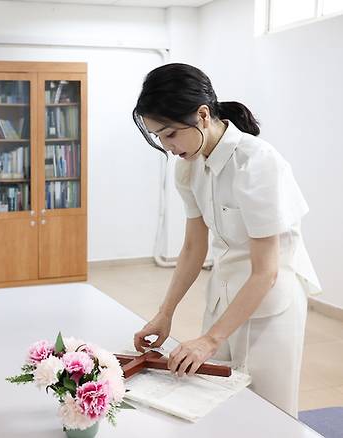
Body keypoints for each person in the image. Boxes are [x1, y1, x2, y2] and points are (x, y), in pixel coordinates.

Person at [131, 63, 321, 417]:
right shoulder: (188, 167)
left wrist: (209, 339)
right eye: (158, 137)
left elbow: (266, 272)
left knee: (270, 414)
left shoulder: (258, 163)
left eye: (170, 134)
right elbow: (192, 248)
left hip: (270, 303)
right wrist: (165, 313)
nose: (167, 146)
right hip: (223, 296)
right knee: (220, 405)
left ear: (202, 115)